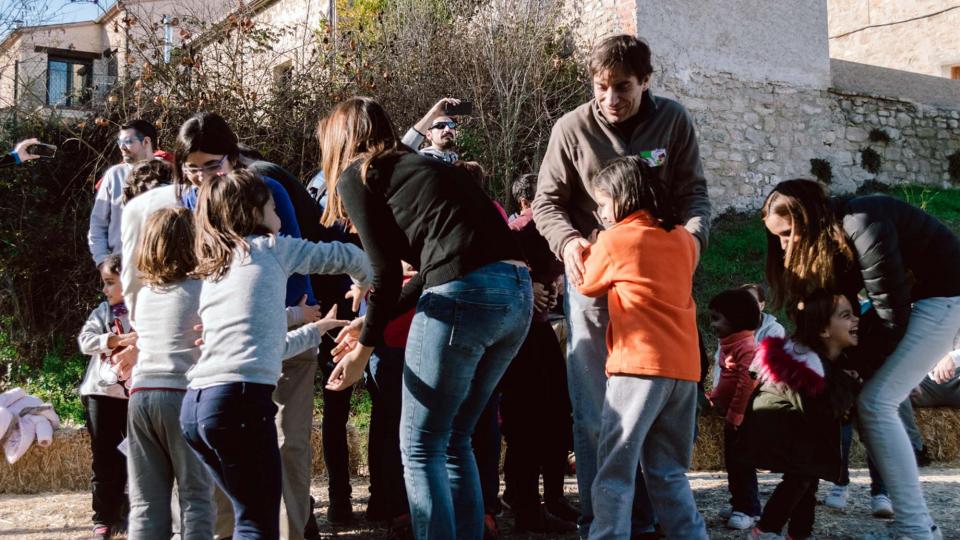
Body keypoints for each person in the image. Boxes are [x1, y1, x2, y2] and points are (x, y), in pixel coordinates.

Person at [317, 96, 533, 540]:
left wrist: (362, 352)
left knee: (420, 447)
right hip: (515, 296)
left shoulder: (358, 175)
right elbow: (433, 270)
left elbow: (385, 274)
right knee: (454, 439)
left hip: (464, 296)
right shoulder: (430, 170)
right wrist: (369, 323)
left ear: (339, 141)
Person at [532, 33, 710, 538]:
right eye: (601, 87)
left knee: (653, 413)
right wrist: (569, 245)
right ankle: (601, 521)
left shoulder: (673, 120)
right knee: (594, 412)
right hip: (591, 274)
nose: (611, 99)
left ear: (646, 81)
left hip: (658, 284)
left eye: (623, 88)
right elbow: (546, 204)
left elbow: (694, 193)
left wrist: (690, 245)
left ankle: (646, 519)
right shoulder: (570, 128)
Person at [762, 178, 960, 540]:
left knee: (876, 403)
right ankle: (915, 523)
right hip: (914, 301)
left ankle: (916, 528)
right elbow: (846, 311)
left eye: (788, 233)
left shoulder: (861, 222)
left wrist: (858, 369)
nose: (783, 244)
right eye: (776, 236)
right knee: (870, 402)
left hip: (944, 298)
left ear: (809, 218)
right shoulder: (835, 235)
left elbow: (891, 314)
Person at [180, 169, 371, 539]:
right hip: (239, 405)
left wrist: (314, 331)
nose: (280, 214)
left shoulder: (218, 266)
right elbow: (347, 255)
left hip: (197, 410)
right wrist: (364, 283)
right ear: (254, 211)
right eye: (272, 205)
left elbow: (268, 348)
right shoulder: (273, 248)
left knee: (244, 514)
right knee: (258, 524)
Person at [578, 156, 706, 539]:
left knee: (615, 470)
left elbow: (587, 283)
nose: (600, 211)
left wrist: (583, 246)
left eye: (602, 203)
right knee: (668, 473)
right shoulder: (685, 239)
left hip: (637, 366)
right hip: (684, 368)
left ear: (622, 196)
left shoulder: (616, 239)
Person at [741, 290, 862, 540]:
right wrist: (848, 388)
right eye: (846, 316)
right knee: (804, 474)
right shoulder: (805, 368)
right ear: (824, 331)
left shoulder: (817, 359)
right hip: (781, 434)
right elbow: (823, 413)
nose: (856, 320)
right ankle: (766, 529)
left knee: (807, 478)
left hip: (794, 434)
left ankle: (799, 533)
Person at [125, 206, 213, 540]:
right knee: (195, 497)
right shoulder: (202, 290)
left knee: (147, 501)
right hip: (182, 395)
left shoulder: (143, 296)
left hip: (140, 396)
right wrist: (296, 315)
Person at [500, 173, 577, 533]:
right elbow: (500, 265)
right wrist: (529, 285)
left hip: (537, 326)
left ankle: (538, 498)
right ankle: (530, 502)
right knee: (534, 417)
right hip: (522, 330)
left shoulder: (545, 227)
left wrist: (558, 277)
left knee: (547, 414)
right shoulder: (521, 228)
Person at [77, 254, 136, 540]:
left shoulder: (146, 311)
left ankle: (126, 513)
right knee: (104, 457)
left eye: (111, 282)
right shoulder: (102, 312)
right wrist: (114, 340)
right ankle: (102, 518)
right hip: (100, 394)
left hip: (135, 395)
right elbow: (85, 341)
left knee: (133, 455)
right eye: (104, 283)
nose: (105, 289)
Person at [706, 288, 762, 530]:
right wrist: (714, 398)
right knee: (733, 462)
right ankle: (739, 501)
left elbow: (746, 383)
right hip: (733, 416)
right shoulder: (731, 343)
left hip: (745, 418)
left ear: (735, 318)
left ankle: (748, 509)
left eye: (716, 318)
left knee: (742, 463)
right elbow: (727, 380)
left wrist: (736, 415)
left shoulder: (746, 347)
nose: (712, 325)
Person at [89, 119, 158, 265]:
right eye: (119, 142)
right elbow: (98, 224)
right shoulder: (114, 176)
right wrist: (102, 261)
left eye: (128, 141)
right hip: (120, 270)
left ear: (146, 142)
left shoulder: (169, 175)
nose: (122, 147)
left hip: (159, 272)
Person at [711, 284, 785, 390]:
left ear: (762, 305)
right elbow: (719, 361)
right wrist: (717, 389)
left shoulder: (775, 330)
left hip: (761, 392)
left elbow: (764, 365)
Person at [401, 97, 462, 163]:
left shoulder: (455, 160)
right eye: (440, 126)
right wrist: (434, 113)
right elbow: (404, 149)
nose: (447, 129)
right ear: (429, 135)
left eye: (451, 125)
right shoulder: (423, 157)